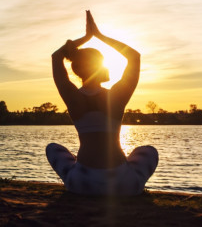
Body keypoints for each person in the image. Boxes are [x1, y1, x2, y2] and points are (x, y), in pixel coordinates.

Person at [46, 10, 158, 196]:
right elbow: (134, 57)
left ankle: (77, 172)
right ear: (100, 67)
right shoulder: (116, 96)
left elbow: (56, 57)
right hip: (123, 184)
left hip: (81, 182)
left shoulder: (73, 97)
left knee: (52, 149)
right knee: (148, 151)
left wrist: (85, 38)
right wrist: (99, 36)